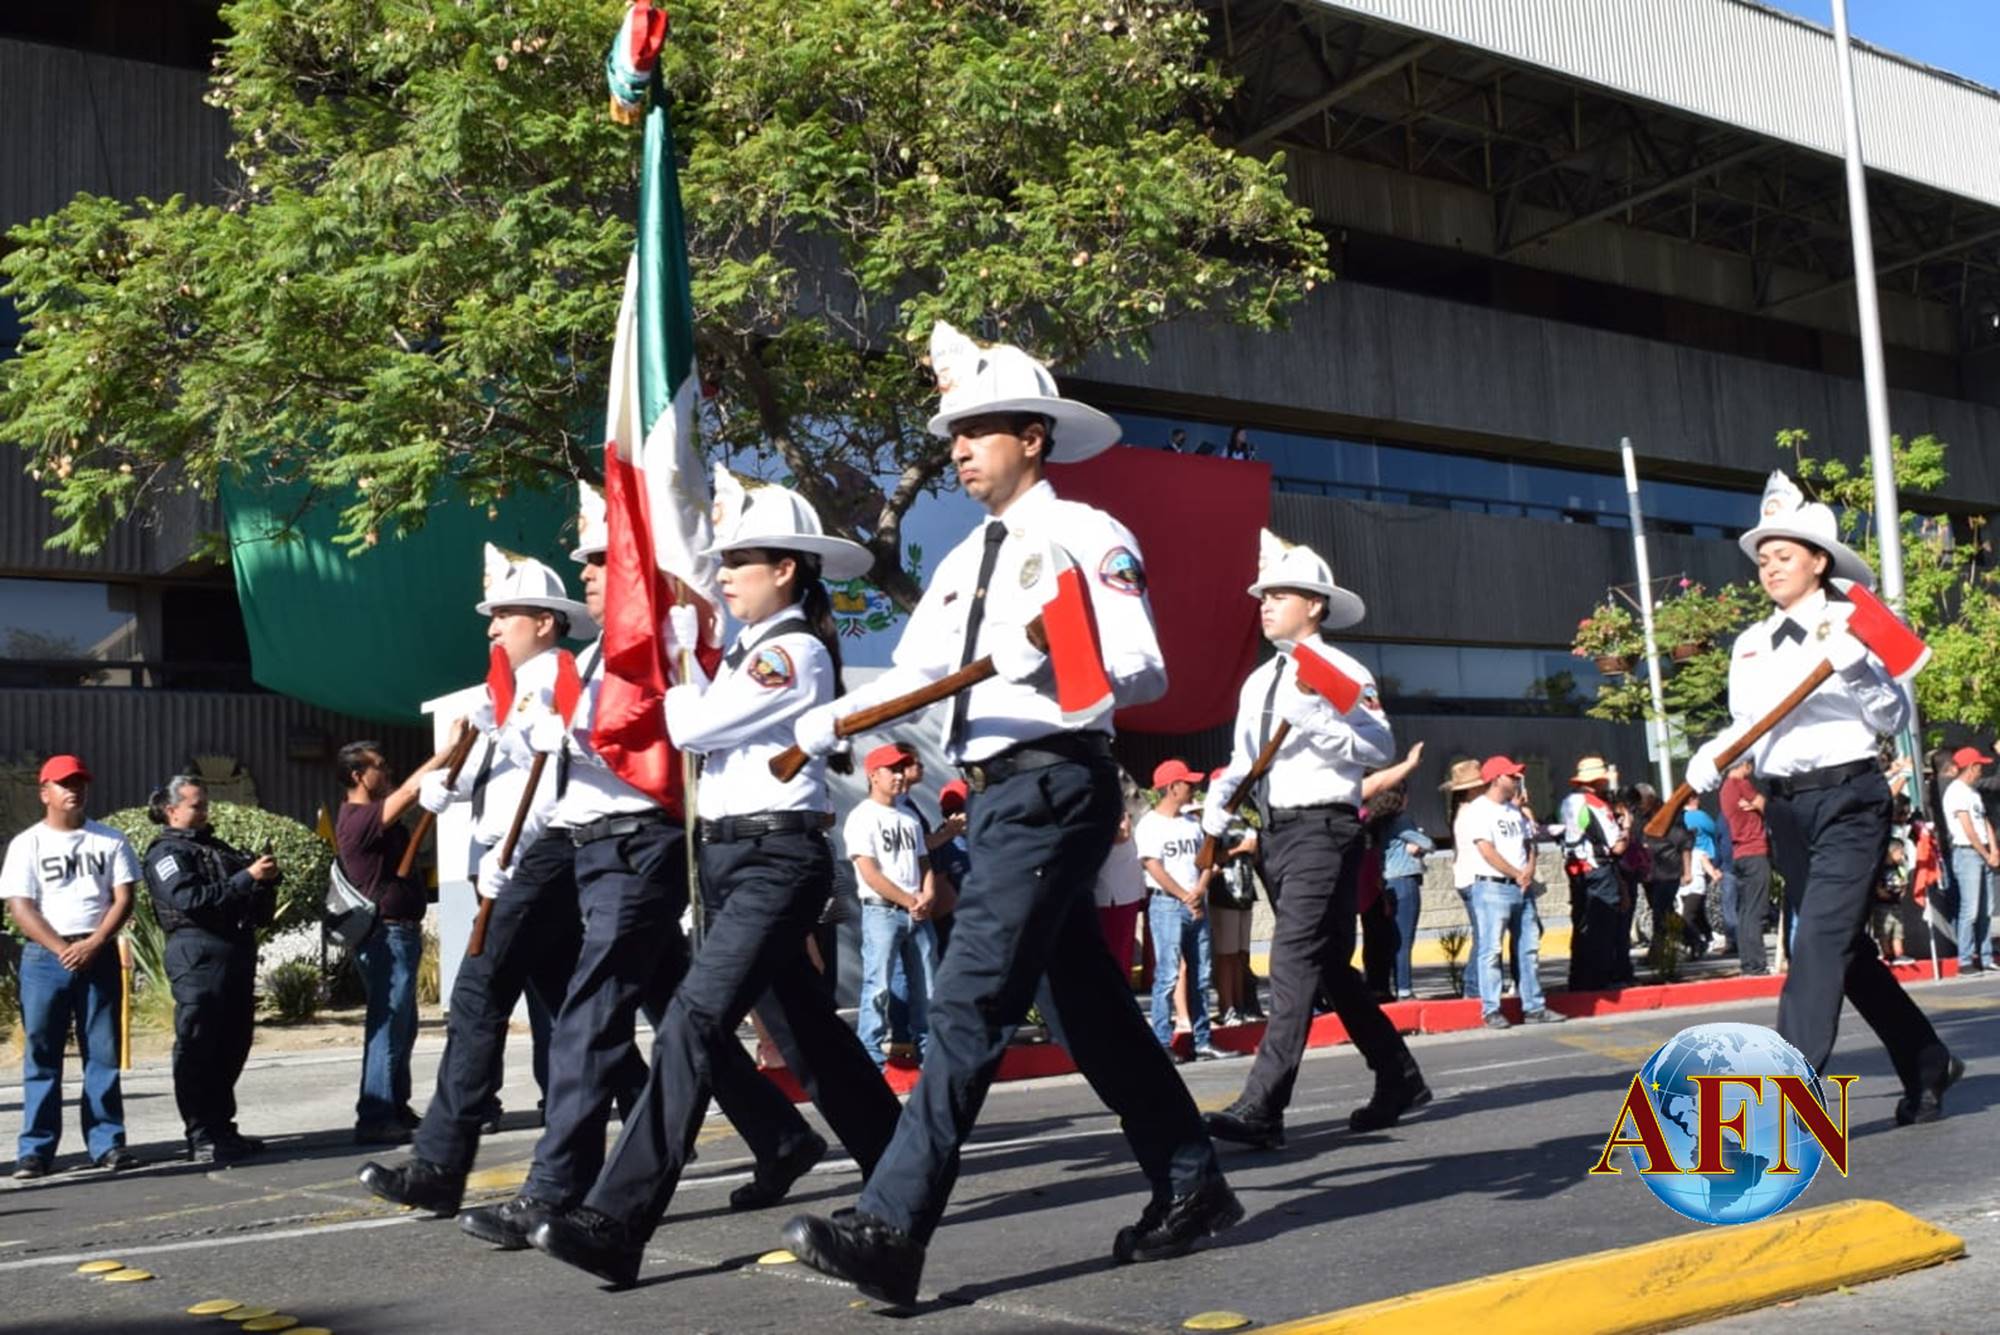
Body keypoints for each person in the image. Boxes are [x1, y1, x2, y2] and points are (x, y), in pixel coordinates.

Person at [780, 321, 1236, 1305]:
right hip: (994, 800)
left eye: (978, 428)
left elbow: (1141, 664)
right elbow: (910, 680)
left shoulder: (1085, 537)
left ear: (1033, 435)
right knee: (1091, 1017)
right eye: (952, 431)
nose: (956, 447)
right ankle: (1192, 1183)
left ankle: (891, 1229)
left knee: (969, 1001)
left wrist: (1057, 667)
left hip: (1054, 780)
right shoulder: (954, 567)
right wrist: (826, 717)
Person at [527, 481, 905, 1286]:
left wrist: (667, 647)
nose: (726, 574)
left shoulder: (789, 650)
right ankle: (901, 1162)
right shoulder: (743, 650)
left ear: (790, 571)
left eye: (741, 560)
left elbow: (692, 726)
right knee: (810, 1034)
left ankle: (616, 1219)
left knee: (692, 1021)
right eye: (723, 560)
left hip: (775, 857)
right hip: (735, 858)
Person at [453, 529, 815, 1253]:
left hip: (643, 844)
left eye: (601, 564)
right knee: (746, 1023)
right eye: (585, 566)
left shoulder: (651, 650)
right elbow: (545, 759)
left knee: (600, 1020)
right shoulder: (592, 657)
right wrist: (510, 845)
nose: (590, 577)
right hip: (595, 852)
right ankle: (789, 1136)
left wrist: (578, 737)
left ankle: (561, 1193)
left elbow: (665, 738)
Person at [1682, 470, 1961, 1124]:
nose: (1769, 567)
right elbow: (1747, 725)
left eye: (1783, 555)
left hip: (1849, 799)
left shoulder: (1856, 619)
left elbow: (1892, 717)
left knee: (1817, 941)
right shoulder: (1750, 643)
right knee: (1845, 950)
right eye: (1763, 558)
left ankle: (1782, 1098)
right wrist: (1714, 756)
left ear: (1819, 560)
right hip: (1784, 808)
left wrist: (1859, 665)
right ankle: (1927, 1060)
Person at [361, 537, 599, 1217]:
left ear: (546, 622)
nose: (493, 628)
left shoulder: (556, 677)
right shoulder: (513, 685)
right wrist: (449, 786)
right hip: (510, 859)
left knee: (476, 998)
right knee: (576, 1010)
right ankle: (753, 1127)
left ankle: (439, 1164)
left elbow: (556, 778)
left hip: (532, 858)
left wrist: (514, 848)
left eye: (505, 615)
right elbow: (499, 769)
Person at [1202, 538, 1429, 1152]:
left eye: (1279, 595)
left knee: (1293, 957)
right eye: (1264, 596)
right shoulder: (1258, 682)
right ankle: (1398, 1075)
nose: (1265, 605)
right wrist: (1219, 806)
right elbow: (1243, 760)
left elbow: (1377, 744)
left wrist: (1321, 722)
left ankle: (1263, 1105)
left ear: (1316, 606)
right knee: (1328, 965)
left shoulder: (1340, 670)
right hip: (1277, 831)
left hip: (1324, 829)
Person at [3, 756, 139, 1177]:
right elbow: (19, 905)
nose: (73, 790)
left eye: (79, 782)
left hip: (96, 955)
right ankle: (36, 1150)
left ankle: (107, 1143)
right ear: (45, 792)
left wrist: (94, 943)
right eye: (63, 783)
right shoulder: (28, 843)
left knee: (101, 1053)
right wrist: (62, 947)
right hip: (46, 959)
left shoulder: (110, 840)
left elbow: (124, 897)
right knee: (42, 1055)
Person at [335, 716, 467, 1146]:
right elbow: (411, 792)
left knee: (402, 1025)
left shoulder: (372, 817)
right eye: (379, 767)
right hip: (384, 935)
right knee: (388, 1025)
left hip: (399, 932)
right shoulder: (358, 819)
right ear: (358, 775)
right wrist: (448, 750)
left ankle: (395, 1104)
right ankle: (375, 1114)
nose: (387, 773)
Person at [143, 773, 278, 1164]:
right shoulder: (166, 854)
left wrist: (264, 880)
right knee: (198, 1045)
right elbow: (190, 900)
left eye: (205, 804)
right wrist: (244, 878)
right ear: (171, 810)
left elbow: (252, 902)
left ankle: (222, 1127)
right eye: (195, 805)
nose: (204, 812)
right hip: (196, 953)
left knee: (232, 1043)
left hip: (234, 950)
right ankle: (201, 1134)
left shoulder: (216, 848)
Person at [848, 741, 941, 1068]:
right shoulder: (862, 816)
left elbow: (924, 862)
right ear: (874, 775)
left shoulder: (908, 817)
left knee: (927, 986)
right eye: (893, 770)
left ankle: (930, 1055)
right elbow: (869, 871)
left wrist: (927, 895)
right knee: (879, 984)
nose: (901, 776)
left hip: (917, 912)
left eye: (904, 769)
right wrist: (908, 899)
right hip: (882, 912)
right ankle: (870, 1058)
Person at [1455, 757, 1564, 1029]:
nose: (1516, 780)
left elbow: (1529, 842)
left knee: (1527, 948)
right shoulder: (1478, 811)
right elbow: (1486, 849)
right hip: (1492, 886)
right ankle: (1491, 1008)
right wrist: (1516, 873)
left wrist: (1528, 868)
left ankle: (1534, 1006)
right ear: (1496, 779)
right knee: (1491, 949)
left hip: (1520, 887)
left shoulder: (1513, 811)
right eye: (1511, 776)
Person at [1138, 759, 1222, 1062]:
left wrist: (1199, 890)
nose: (1193, 788)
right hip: (1167, 905)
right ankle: (1161, 1041)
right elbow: (1152, 865)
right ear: (1172, 788)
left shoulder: (1191, 824)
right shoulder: (1150, 824)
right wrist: (1186, 895)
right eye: (1188, 783)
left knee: (1201, 975)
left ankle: (1203, 1040)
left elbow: (1206, 861)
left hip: (1195, 903)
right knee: (1168, 975)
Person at [1560, 756, 1628, 992]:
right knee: (1603, 924)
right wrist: (1626, 828)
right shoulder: (1597, 805)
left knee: (1581, 924)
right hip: (1598, 868)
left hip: (1576, 869)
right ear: (1598, 780)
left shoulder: (1568, 802)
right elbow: (1616, 846)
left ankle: (1578, 977)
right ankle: (1600, 977)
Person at [1941, 745, 1997, 972]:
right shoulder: (1956, 792)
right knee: (1970, 909)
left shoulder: (1973, 793)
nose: (1981, 771)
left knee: (1986, 908)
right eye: (1979, 767)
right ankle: (1965, 959)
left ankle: (1985, 956)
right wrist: (1984, 853)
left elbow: (1983, 822)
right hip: (1966, 852)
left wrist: (1993, 849)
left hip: (1983, 851)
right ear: (1971, 767)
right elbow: (1967, 828)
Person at [1720, 757, 1771, 975]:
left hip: (1739, 853)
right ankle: (1757, 962)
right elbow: (1765, 805)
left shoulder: (1724, 789)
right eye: (1749, 764)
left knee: (1745, 911)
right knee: (1756, 910)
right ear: (1743, 765)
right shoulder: (1741, 784)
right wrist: (1756, 805)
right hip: (1754, 850)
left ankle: (1748, 961)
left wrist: (1752, 806)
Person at [1094, 805, 1147, 977]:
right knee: (1112, 952)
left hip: (1126, 896)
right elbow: (1121, 835)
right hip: (1109, 897)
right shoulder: (1101, 826)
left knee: (1123, 952)